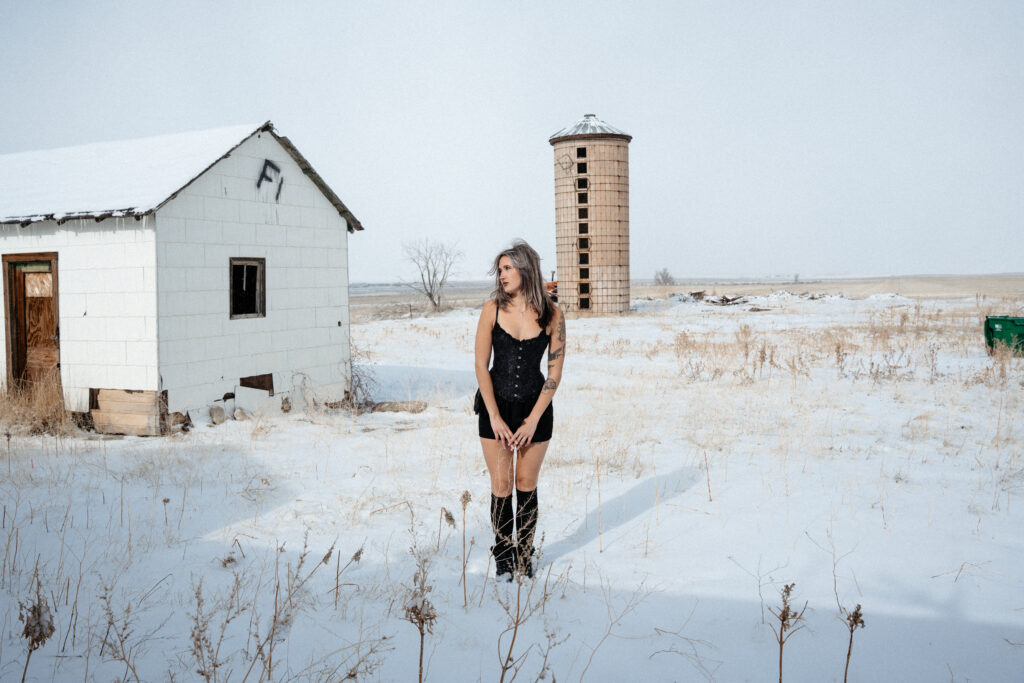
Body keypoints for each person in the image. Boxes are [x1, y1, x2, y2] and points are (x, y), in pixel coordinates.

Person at [474, 240, 565, 581]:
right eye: (499, 270)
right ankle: (503, 558)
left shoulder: (553, 315)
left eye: (508, 268)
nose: (502, 275)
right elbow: (482, 366)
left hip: (535, 411)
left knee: (527, 483)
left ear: (526, 269)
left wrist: (533, 420)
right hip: (495, 408)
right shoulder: (492, 309)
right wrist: (495, 416)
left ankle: (524, 558)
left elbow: (554, 373)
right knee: (502, 484)